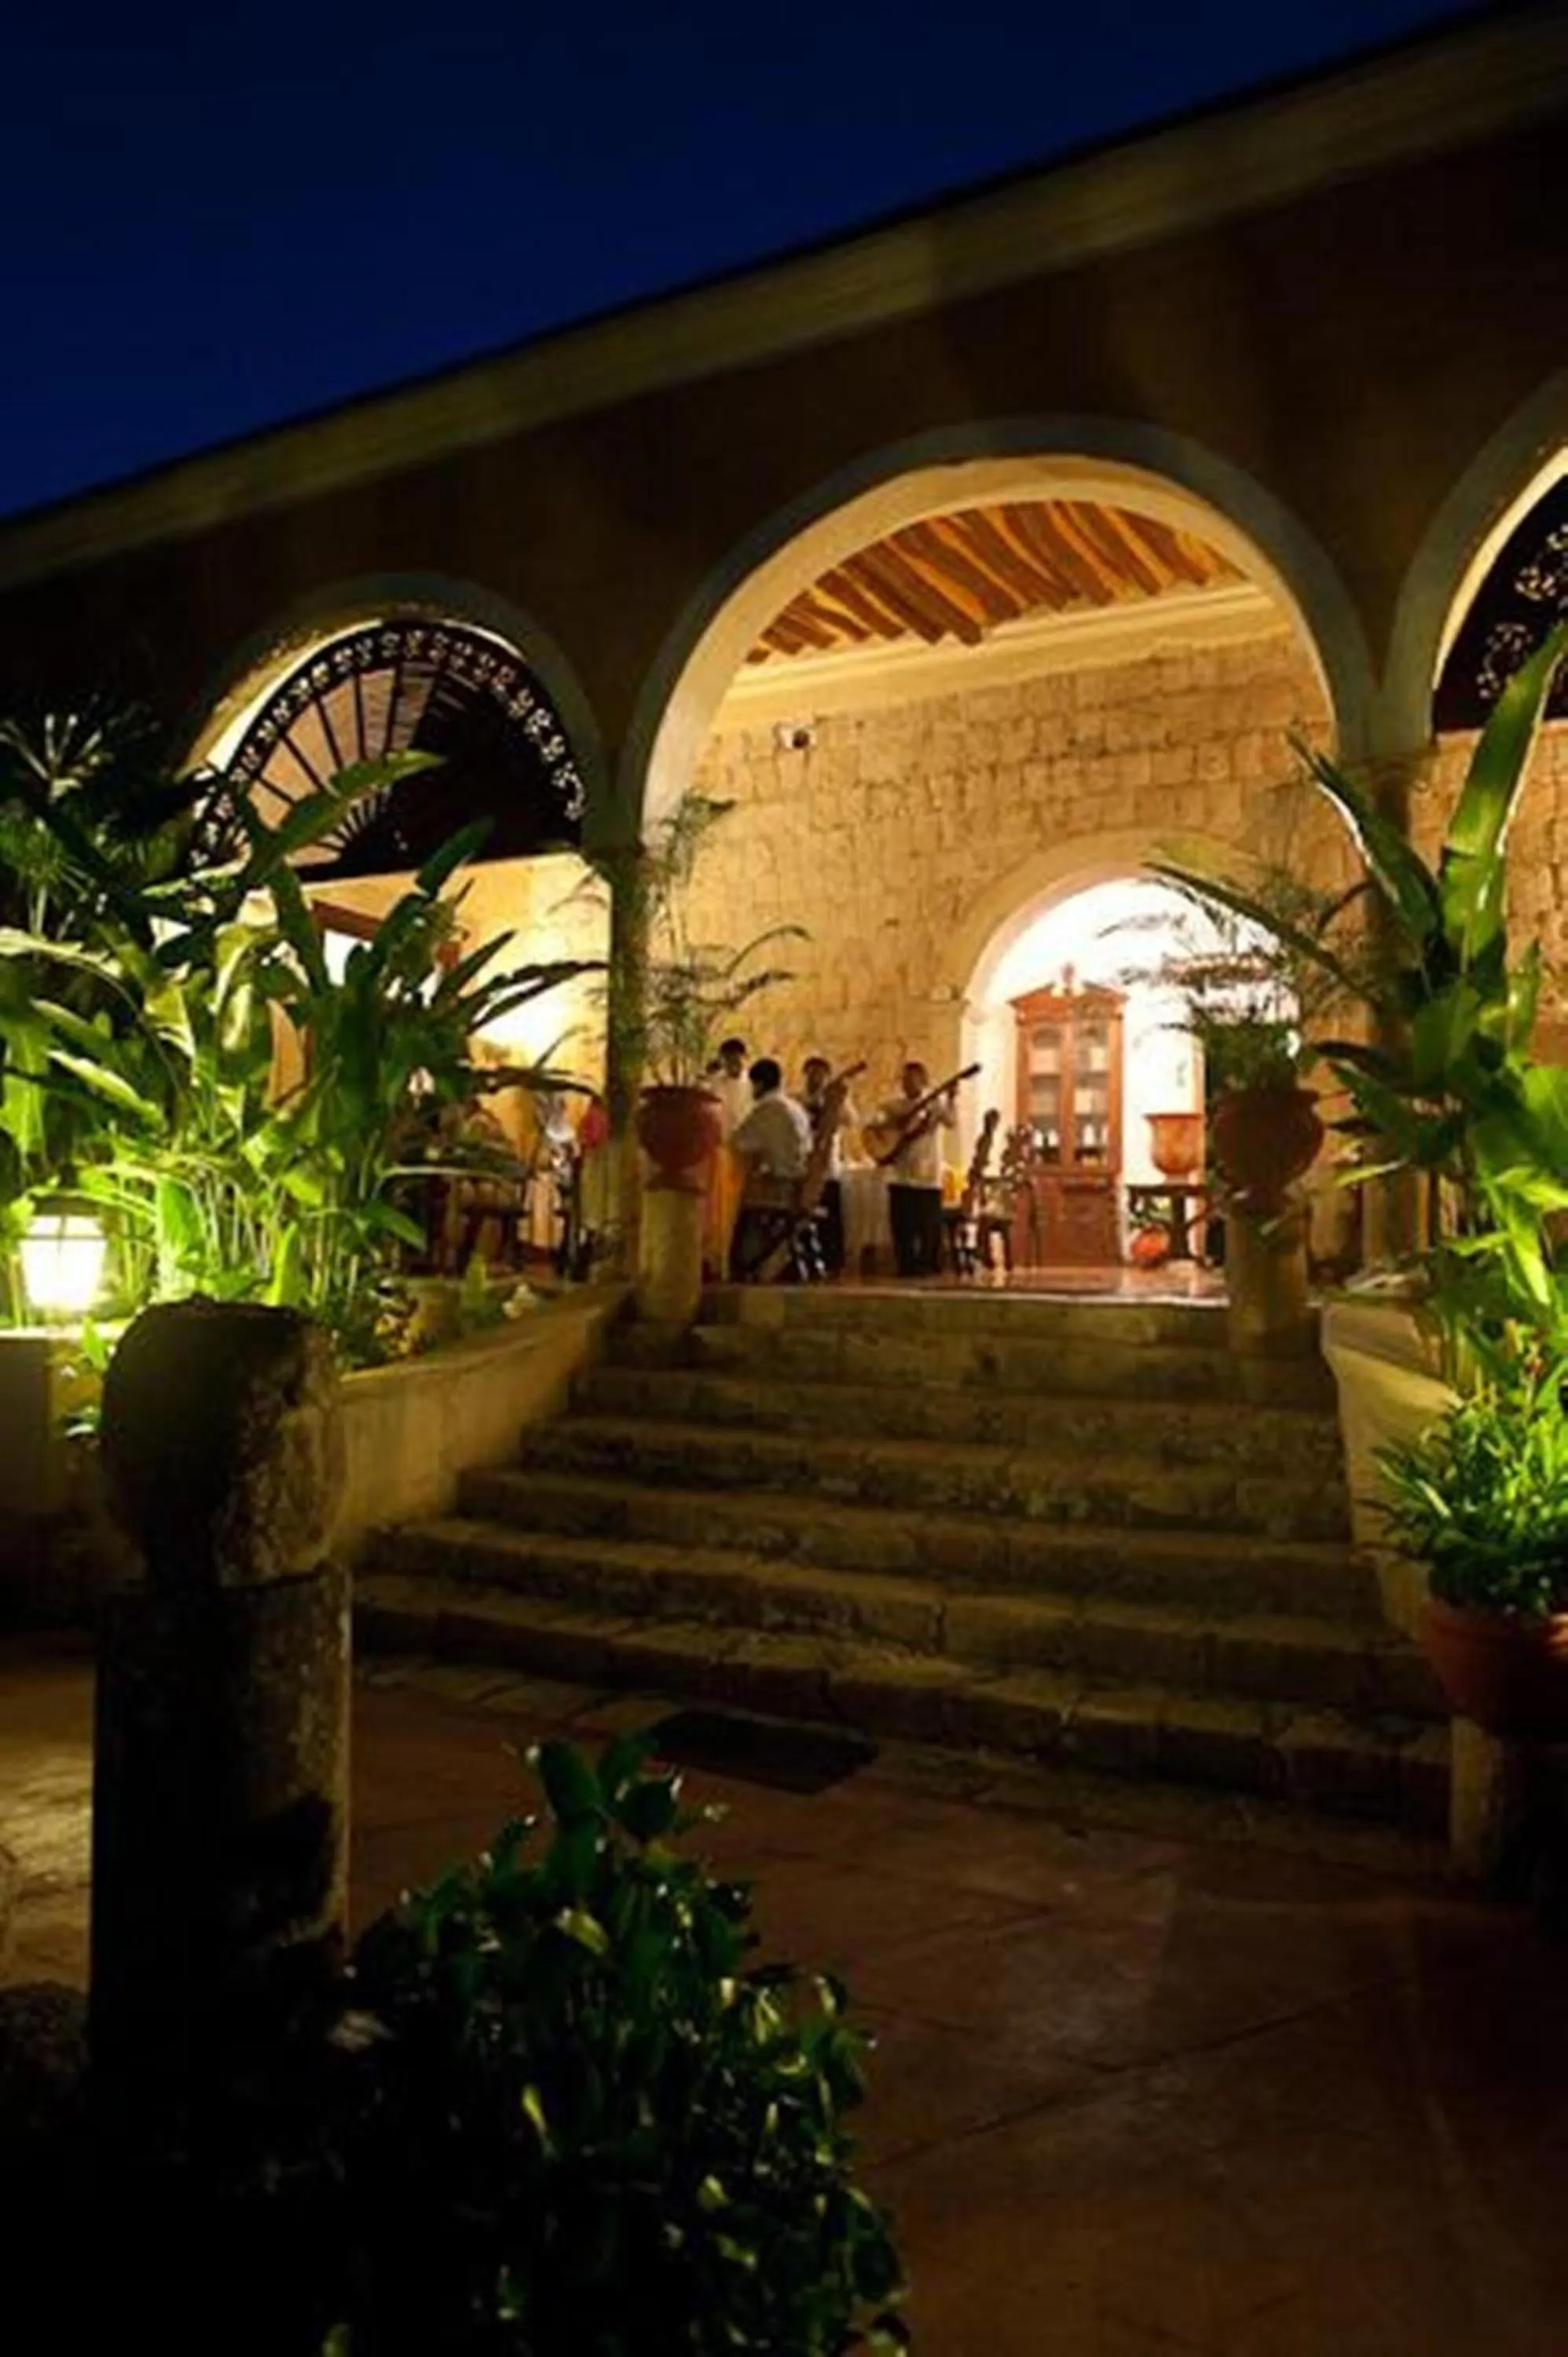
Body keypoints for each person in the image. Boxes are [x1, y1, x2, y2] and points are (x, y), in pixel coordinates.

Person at [727, 1057, 813, 1279]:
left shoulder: (767, 1109)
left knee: (733, 1203)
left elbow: (738, 1142)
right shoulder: (795, 1107)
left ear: (759, 1084)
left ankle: (741, 1263)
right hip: (798, 1182)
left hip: (781, 1185)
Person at [877, 1059, 955, 1278]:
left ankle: (928, 1268)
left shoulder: (935, 1105)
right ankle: (905, 1267)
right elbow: (877, 1127)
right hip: (901, 1176)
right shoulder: (894, 1106)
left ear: (923, 1081)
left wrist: (951, 1098)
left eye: (912, 1079)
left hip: (928, 1177)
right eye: (904, 1079)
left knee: (929, 1228)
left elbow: (951, 1122)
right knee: (902, 1228)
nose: (907, 1083)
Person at [800, 1054, 859, 1276]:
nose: (816, 1078)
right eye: (812, 1073)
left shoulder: (836, 1100)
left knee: (832, 1220)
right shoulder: (797, 1099)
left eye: (821, 1074)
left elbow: (852, 1121)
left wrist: (840, 1099)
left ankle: (834, 1262)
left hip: (830, 1167)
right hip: (806, 1167)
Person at [702, 1036, 750, 1279]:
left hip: (744, 1154)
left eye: (737, 1060)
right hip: (719, 1153)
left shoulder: (753, 1085)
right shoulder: (715, 1084)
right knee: (716, 1210)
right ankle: (713, 1257)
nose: (733, 1065)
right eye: (728, 1061)